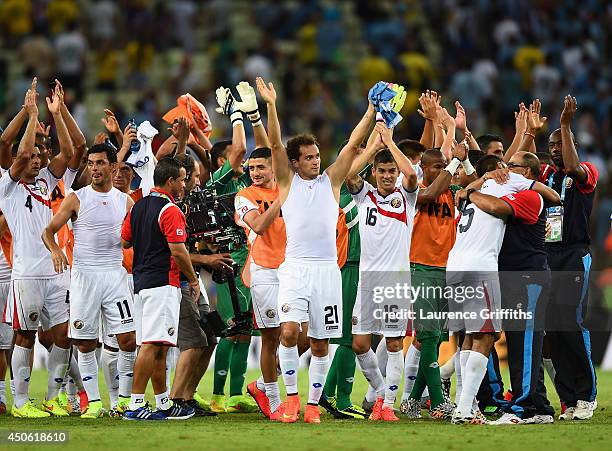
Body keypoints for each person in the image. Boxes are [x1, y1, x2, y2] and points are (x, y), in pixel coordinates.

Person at [256, 76, 375, 423]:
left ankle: (312, 406)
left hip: (327, 272)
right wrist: (271, 105)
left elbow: (354, 144)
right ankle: (291, 400)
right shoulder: (287, 182)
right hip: (294, 268)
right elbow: (276, 145)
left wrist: (369, 110)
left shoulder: (331, 182)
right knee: (290, 332)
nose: (315, 161)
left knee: (322, 344)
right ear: (295, 163)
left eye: (317, 156)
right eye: (308, 157)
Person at [42, 143, 137, 419]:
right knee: (85, 343)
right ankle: (94, 403)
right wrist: (56, 249)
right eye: (91, 163)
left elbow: (132, 239)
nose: (94, 169)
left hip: (115, 277)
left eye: (100, 163)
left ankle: (124, 401)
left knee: (128, 340)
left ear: (112, 166)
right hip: (84, 278)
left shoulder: (125, 201)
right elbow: (48, 232)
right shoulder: (76, 198)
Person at [465, 151, 559, 425]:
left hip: (528, 278)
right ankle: (526, 400)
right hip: (508, 277)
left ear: (527, 173)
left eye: (511, 165)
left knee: (526, 343)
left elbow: (495, 207)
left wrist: (470, 194)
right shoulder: (506, 190)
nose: (504, 168)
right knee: (516, 343)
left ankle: (531, 407)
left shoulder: (531, 197)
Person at [0, 80, 74, 418]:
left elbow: (71, 154)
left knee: (63, 334)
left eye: (38, 156)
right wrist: (30, 115)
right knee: (25, 335)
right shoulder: (8, 186)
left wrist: (57, 115)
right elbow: (19, 151)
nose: (35, 159)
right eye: (28, 156)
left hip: (56, 272)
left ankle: (54, 396)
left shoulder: (46, 179)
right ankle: (19, 402)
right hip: (27, 272)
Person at [447, 155, 536, 424]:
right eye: (504, 166)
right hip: (479, 266)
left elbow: (475, 180)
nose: (507, 168)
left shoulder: (470, 192)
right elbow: (549, 194)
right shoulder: (507, 182)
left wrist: (476, 183)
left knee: (470, 335)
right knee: (487, 335)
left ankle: (467, 404)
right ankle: (463, 410)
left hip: (455, 265)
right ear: (499, 171)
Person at [401, 128, 477, 419]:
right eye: (438, 166)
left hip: (449, 271)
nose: (444, 170)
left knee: (433, 337)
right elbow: (431, 192)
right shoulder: (415, 193)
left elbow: (472, 183)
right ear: (425, 169)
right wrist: (454, 163)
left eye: (444, 165)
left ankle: (411, 402)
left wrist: (465, 162)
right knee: (429, 336)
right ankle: (438, 402)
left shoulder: (454, 193)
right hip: (421, 268)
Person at [345, 122, 418, 422]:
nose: (388, 176)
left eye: (392, 171)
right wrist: (374, 147)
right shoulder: (365, 196)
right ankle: (378, 393)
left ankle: (388, 404)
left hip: (395, 281)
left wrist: (390, 141)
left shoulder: (406, 197)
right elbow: (350, 175)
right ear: (374, 173)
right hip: (367, 281)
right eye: (382, 171)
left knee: (393, 342)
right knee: (359, 344)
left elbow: (412, 174)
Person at [120, 157, 199, 420]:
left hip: (141, 283)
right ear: (170, 181)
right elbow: (178, 251)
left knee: (159, 345)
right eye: (183, 179)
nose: (184, 184)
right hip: (162, 283)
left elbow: (125, 240)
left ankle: (163, 403)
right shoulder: (170, 210)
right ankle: (135, 405)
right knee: (152, 345)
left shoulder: (138, 206)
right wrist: (194, 279)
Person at [541, 96, 599, 421]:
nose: (554, 149)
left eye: (559, 143)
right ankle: (568, 398)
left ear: (571, 144)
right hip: (548, 255)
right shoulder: (547, 174)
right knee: (553, 329)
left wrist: (564, 124)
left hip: (574, 255)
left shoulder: (585, 171)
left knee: (571, 324)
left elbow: (574, 167)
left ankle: (586, 395)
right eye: (550, 144)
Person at [206, 83, 258, 414]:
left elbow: (266, 156)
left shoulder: (246, 183)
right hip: (229, 261)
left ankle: (237, 393)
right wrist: (235, 114)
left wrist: (255, 117)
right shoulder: (219, 182)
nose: (243, 159)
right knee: (229, 330)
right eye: (234, 157)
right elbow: (239, 149)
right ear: (222, 161)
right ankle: (217, 395)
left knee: (245, 331)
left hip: (252, 259)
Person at [170, 153, 231, 416]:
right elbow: (174, 250)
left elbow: (192, 246)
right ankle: (175, 401)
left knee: (210, 339)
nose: (197, 181)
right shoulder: (171, 209)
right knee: (195, 340)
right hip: (179, 281)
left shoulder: (191, 206)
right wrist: (207, 257)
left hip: (193, 279)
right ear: (180, 179)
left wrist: (209, 249)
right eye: (192, 176)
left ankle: (188, 396)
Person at [235, 147, 286, 420]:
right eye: (252, 168)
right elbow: (259, 226)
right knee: (271, 336)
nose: (254, 173)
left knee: (300, 333)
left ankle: (263, 385)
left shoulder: (289, 189)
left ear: (273, 168)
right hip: (264, 271)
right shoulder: (244, 197)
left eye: (261, 167)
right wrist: (282, 199)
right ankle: (275, 401)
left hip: (292, 269)